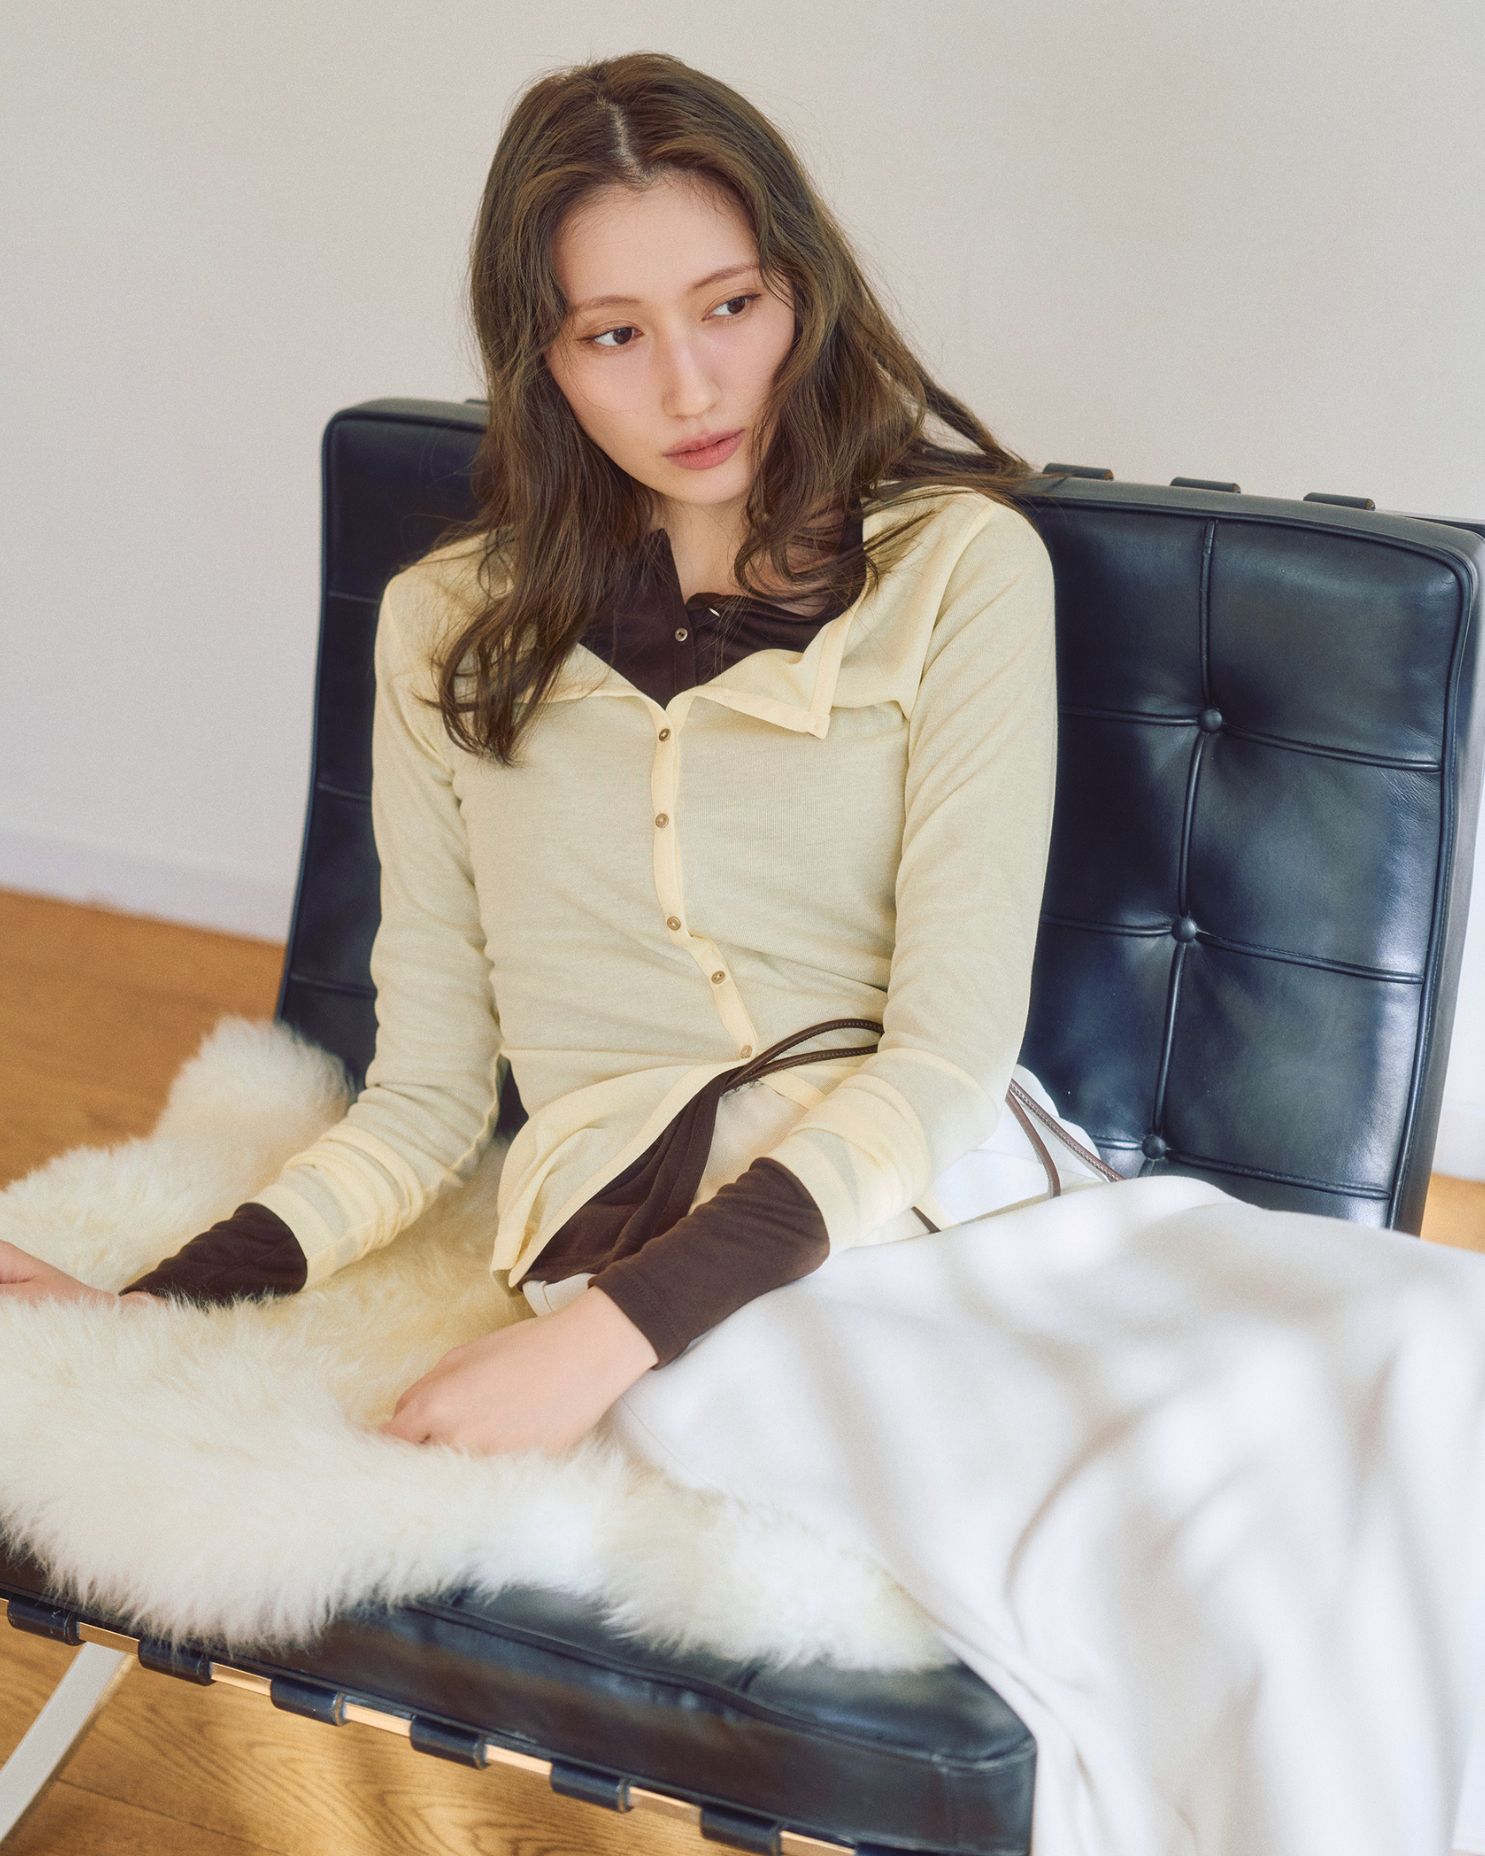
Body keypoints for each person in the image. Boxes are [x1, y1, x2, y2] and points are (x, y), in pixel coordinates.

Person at [6, 50, 1485, 1856]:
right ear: (542, 359)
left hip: (965, 1186)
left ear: (802, 291)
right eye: (614, 335)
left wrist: (600, 1345)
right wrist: (165, 1305)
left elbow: (943, 1050)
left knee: (1424, 1356)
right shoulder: (443, 629)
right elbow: (422, 1097)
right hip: (679, 1257)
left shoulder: (956, 570)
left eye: (729, 305)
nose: (691, 384)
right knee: (1147, 1539)